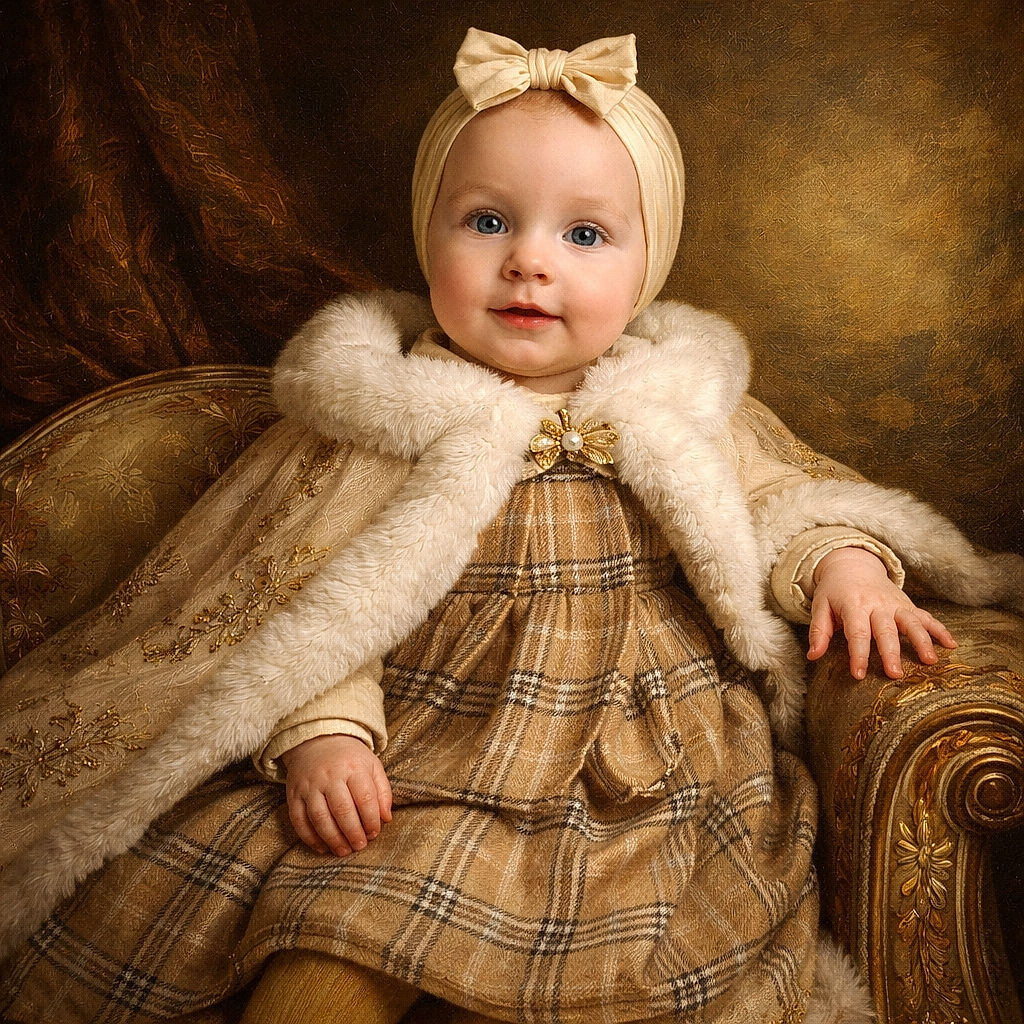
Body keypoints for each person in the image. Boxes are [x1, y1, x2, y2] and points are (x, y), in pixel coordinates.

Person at [0, 27, 1020, 1024]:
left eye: (583, 235)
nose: (529, 263)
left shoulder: (675, 403)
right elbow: (307, 596)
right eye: (487, 222)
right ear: (426, 235)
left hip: (648, 767)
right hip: (425, 759)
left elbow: (779, 501)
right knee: (337, 936)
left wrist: (843, 562)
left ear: (645, 267)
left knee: (609, 961)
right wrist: (323, 732)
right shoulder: (382, 417)